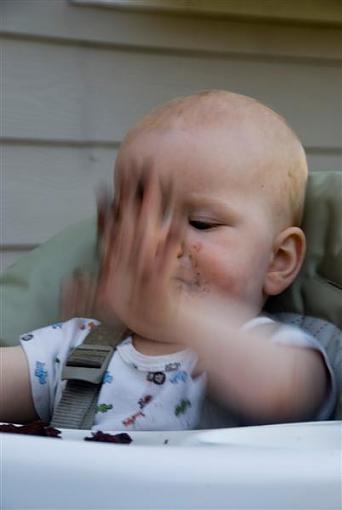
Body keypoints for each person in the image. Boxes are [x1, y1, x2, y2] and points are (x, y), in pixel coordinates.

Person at [0, 90, 336, 431]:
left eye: (201, 223)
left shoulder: (276, 349)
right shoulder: (75, 347)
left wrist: (177, 318)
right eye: (134, 224)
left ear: (278, 260)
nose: (157, 241)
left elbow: (286, 390)